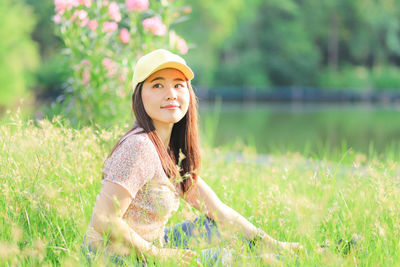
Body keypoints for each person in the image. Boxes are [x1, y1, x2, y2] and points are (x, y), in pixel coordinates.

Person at [82, 49, 302, 266]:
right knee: (225, 259)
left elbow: (219, 211)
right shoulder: (139, 147)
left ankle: (284, 257)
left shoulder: (169, 151)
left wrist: (273, 244)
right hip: (114, 258)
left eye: (178, 85)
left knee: (218, 226)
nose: (171, 94)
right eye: (157, 85)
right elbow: (104, 220)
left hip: (149, 247)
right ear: (138, 96)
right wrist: (160, 255)